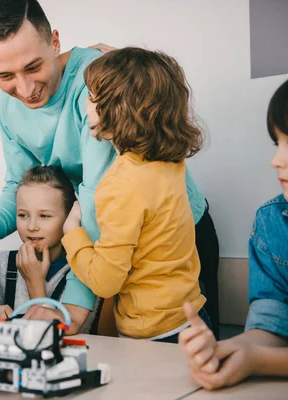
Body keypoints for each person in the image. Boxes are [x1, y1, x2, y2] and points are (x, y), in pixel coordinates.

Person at [0, 0, 220, 336]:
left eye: (33, 67)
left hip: (169, 236)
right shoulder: (10, 102)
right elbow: (21, 186)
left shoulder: (96, 86)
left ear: (55, 41)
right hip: (109, 243)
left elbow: (94, 201)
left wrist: (75, 307)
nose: (25, 89)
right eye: (5, 75)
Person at [59, 47, 208, 342]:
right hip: (192, 318)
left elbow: (105, 282)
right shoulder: (170, 160)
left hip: (153, 331)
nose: (86, 105)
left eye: (92, 98)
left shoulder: (120, 184)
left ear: (118, 110)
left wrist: (71, 232)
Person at [179, 71, 288, 388]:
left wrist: (258, 360)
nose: (276, 159)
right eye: (277, 143)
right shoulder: (273, 221)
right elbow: (275, 322)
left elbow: (264, 356)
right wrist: (231, 349)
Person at [0, 165, 98, 333]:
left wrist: (36, 285)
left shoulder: (82, 272)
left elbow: (63, 332)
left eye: (45, 216)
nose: (31, 226)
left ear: (69, 217)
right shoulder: (1, 264)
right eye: (22, 215)